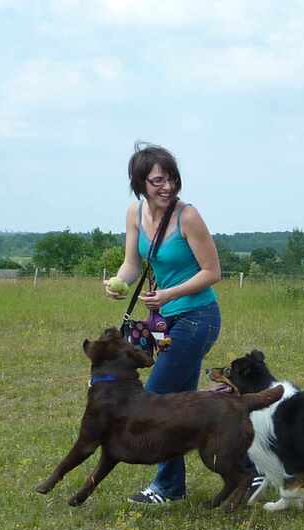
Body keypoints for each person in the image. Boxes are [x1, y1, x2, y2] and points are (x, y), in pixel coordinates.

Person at [105, 142, 222, 504]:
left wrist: (170, 294)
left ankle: (169, 485)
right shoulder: (134, 213)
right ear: (140, 182)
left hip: (197, 318)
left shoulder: (188, 216)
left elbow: (213, 272)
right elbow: (133, 265)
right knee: (180, 405)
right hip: (163, 321)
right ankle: (248, 464)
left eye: (171, 178)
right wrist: (116, 283)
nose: (167, 187)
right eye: (157, 181)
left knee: (155, 399)